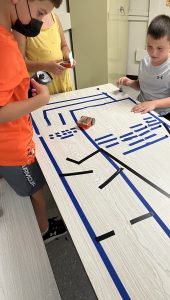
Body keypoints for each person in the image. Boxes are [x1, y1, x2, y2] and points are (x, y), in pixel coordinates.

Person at [0, 0, 67, 243]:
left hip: (7, 144)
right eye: (39, 12)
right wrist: (41, 99)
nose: (38, 22)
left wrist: (22, 86)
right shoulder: (6, 46)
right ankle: (44, 231)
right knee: (36, 189)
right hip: (13, 147)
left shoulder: (6, 36)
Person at [117, 14, 170, 127]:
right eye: (150, 46)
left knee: (169, 140)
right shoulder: (144, 62)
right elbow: (143, 85)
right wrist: (129, 82)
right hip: (142, 106)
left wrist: (154, 104)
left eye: (160, 48)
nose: (153, 53)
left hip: (167, 113)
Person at [14, 11, 75, 95]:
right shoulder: (21, 25)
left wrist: (68, 56)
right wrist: (46, 66)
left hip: (62, 81)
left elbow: (64, 46)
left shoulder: (55, 17)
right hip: (42, 85)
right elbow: (21, 63)